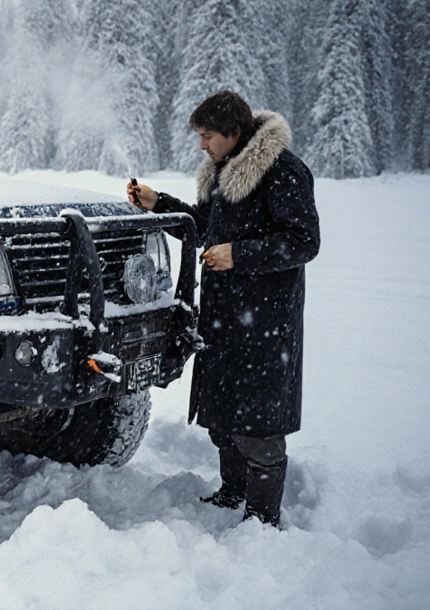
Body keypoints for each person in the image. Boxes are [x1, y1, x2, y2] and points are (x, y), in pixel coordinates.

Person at [128, 90, 320, 527]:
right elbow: (206, 227)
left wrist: (239, 255)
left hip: (266, 319)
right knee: (224, 415)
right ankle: (233, 492)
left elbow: (305, 241)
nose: (202, 145)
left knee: (258, 424)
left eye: (208, 136)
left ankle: (261, 517)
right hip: (223, 314)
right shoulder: (221, 171)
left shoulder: (284, 172)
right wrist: (161, 206)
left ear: (234, 132)